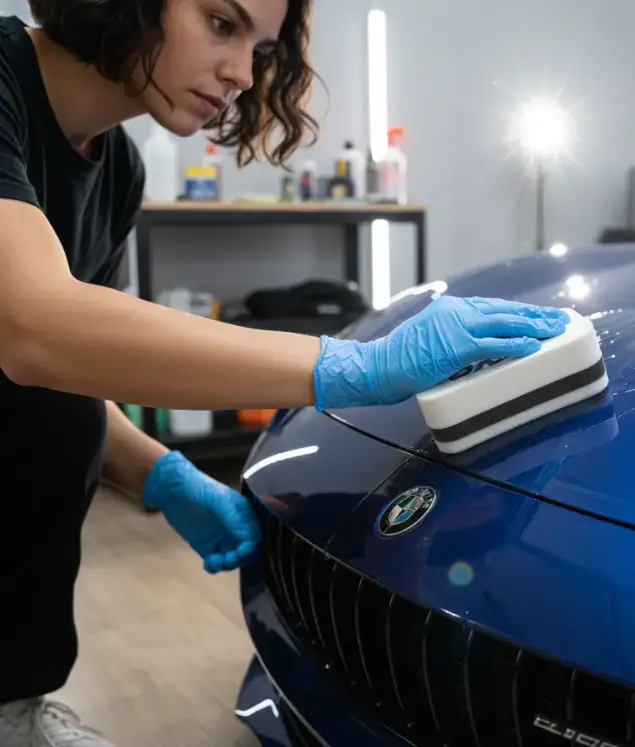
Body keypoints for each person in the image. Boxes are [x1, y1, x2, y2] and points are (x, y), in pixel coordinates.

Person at [0, 1, 570, 744]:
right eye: (221, 23)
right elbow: (33, 327)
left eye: (261, 50)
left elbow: (68, 372)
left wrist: (165, 475)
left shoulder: (117, 171)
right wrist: (352, 364)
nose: (241, 73)